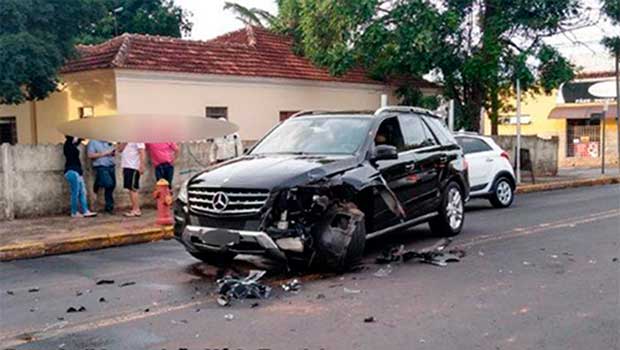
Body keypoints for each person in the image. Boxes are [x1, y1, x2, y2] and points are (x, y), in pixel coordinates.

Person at [63, 136, 97, 218]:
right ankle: (74, 212)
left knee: (82, 192)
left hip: (77, 171)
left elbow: (76, 142)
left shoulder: (72, 145)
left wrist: (80, 138)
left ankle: (85, 211)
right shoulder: (68, 145)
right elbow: (72, 142)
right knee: (76, 192)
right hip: (72, 171)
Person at [87, 140, 116, 214]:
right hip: (101, 166)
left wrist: (112, 153)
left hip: (111, 166)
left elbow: (112, 152)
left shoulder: (108, 141)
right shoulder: (93, 142)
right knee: (108, 183)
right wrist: (105, 153)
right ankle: (97, 184)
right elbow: (90, 155)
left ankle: (109, 207)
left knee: (111, 186)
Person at [118, 142, 145, 217]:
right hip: (126, 166)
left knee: (133, 188)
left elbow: (142, 151)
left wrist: (142, 165)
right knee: (130, 188)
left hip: (133, 166)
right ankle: (134, 208)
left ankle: (136, 209)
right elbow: (119, 149)